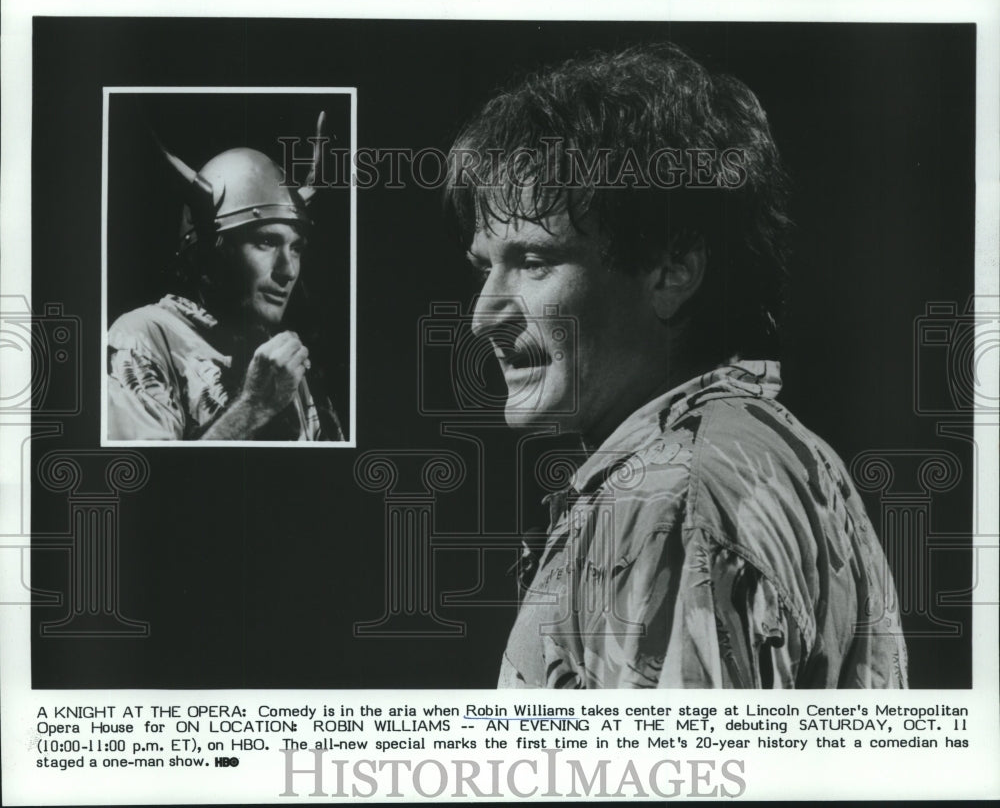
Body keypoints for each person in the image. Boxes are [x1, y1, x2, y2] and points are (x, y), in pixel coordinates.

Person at [444, 44, 908, 688]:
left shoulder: (672, 498)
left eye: (534, 262)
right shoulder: (764, 455)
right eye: (485, 268)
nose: (483, 316)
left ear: (673, 269)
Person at [107, 127, 344, 441]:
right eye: (266, 242)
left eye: (296, 248)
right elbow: (147, 472)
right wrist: (253, 407)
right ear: (211, 252)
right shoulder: (143, 336)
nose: (288, 270)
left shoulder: (281, 361)